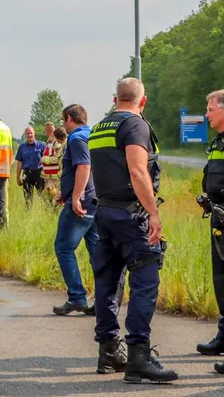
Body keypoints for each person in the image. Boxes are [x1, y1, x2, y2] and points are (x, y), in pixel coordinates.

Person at [88, 78, 177, 383]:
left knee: (108, 282)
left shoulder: (100, 127)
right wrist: (153, 213)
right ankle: (139, 355)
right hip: (131, 216)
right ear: (143, 101)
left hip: (104, 213)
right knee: (146, 278)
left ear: (116, 99)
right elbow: (138, 170)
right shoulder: (135, 125)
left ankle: (109, 351)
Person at [52, 104, 97, 316]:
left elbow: (84, 167)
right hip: (97, 201)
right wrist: (67, 192)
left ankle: (77, 297)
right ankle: (104, 299)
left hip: (81, 204)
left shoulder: (77, 139)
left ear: (70, 118)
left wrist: (76, 197)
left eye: (63, 121)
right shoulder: (94, 136)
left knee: (63, 247)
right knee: (98, 253)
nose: (63, 125)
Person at [196, 90, 224, 372]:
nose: (206, 114)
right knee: (221, 280)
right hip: (218, 219)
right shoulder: (218, 141)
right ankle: (223, 335)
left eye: (210, 109)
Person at [15, 127, 46, 203]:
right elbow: (20, 162)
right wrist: (18, 177)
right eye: (27, 133)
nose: (29, 135)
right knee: (27, 198)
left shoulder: (42, 145)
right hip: (27, 174)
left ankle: (45, 212)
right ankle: (28, 213)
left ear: (34, 133)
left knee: (43, 197)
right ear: (25, 135)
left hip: (40, 174)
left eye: (31, 133)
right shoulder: (22, 147)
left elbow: (46, 161)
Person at [42, 127, 66, 201]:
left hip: (56, 177)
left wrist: (45, 159)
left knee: (57, 198)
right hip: (50, 176)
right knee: (48, 197)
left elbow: (57, 158)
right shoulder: (48, 143)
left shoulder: (59, 144)